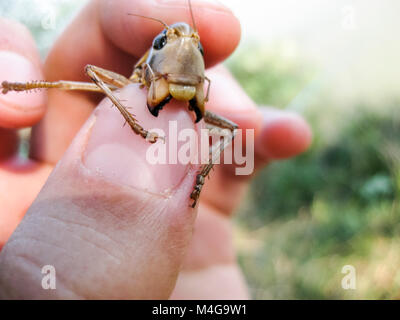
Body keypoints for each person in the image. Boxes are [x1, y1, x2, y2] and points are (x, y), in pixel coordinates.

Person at [0, 0, 311, 299]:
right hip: (135, 86)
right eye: (166, 42)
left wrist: (201, 177)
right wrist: (134, 128)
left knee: (230, 127)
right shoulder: (133, 75)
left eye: (197, 50)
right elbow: (92, 72)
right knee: (85, 77)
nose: (186, 50)